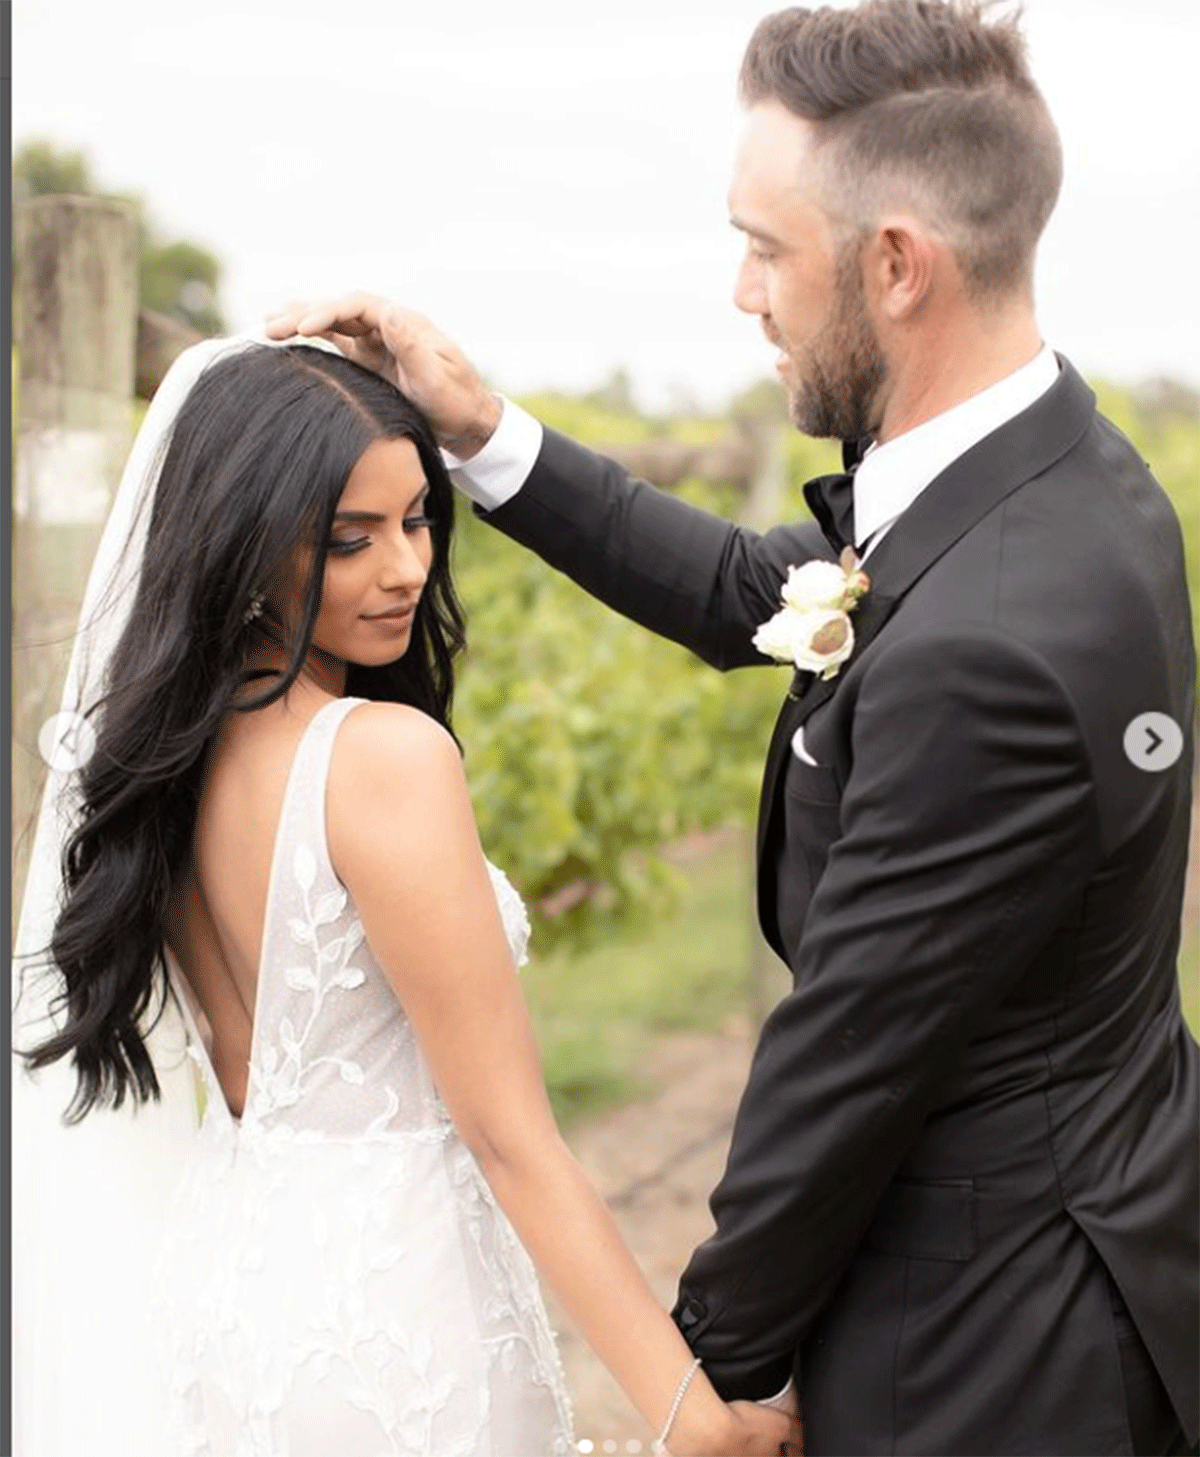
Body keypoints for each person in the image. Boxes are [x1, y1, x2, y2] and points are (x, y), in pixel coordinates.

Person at [265, 1, 1200, 1452]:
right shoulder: (1053, 471)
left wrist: (699, 1382)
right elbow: (750, 587)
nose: (741, 293)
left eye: (765, 248)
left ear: (897, 268)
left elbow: (847, 1061)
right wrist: (479, 428)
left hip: (992, 1348)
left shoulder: (997, 639)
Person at [11, 335, 803, 1457]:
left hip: (227, 1288)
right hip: (395, 1317)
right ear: (244, 542)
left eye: (419, 518)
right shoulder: (380, 756)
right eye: (349, 539)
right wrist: (689, 1413)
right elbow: (508, 1133)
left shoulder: (156, 755)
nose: (405, 568)